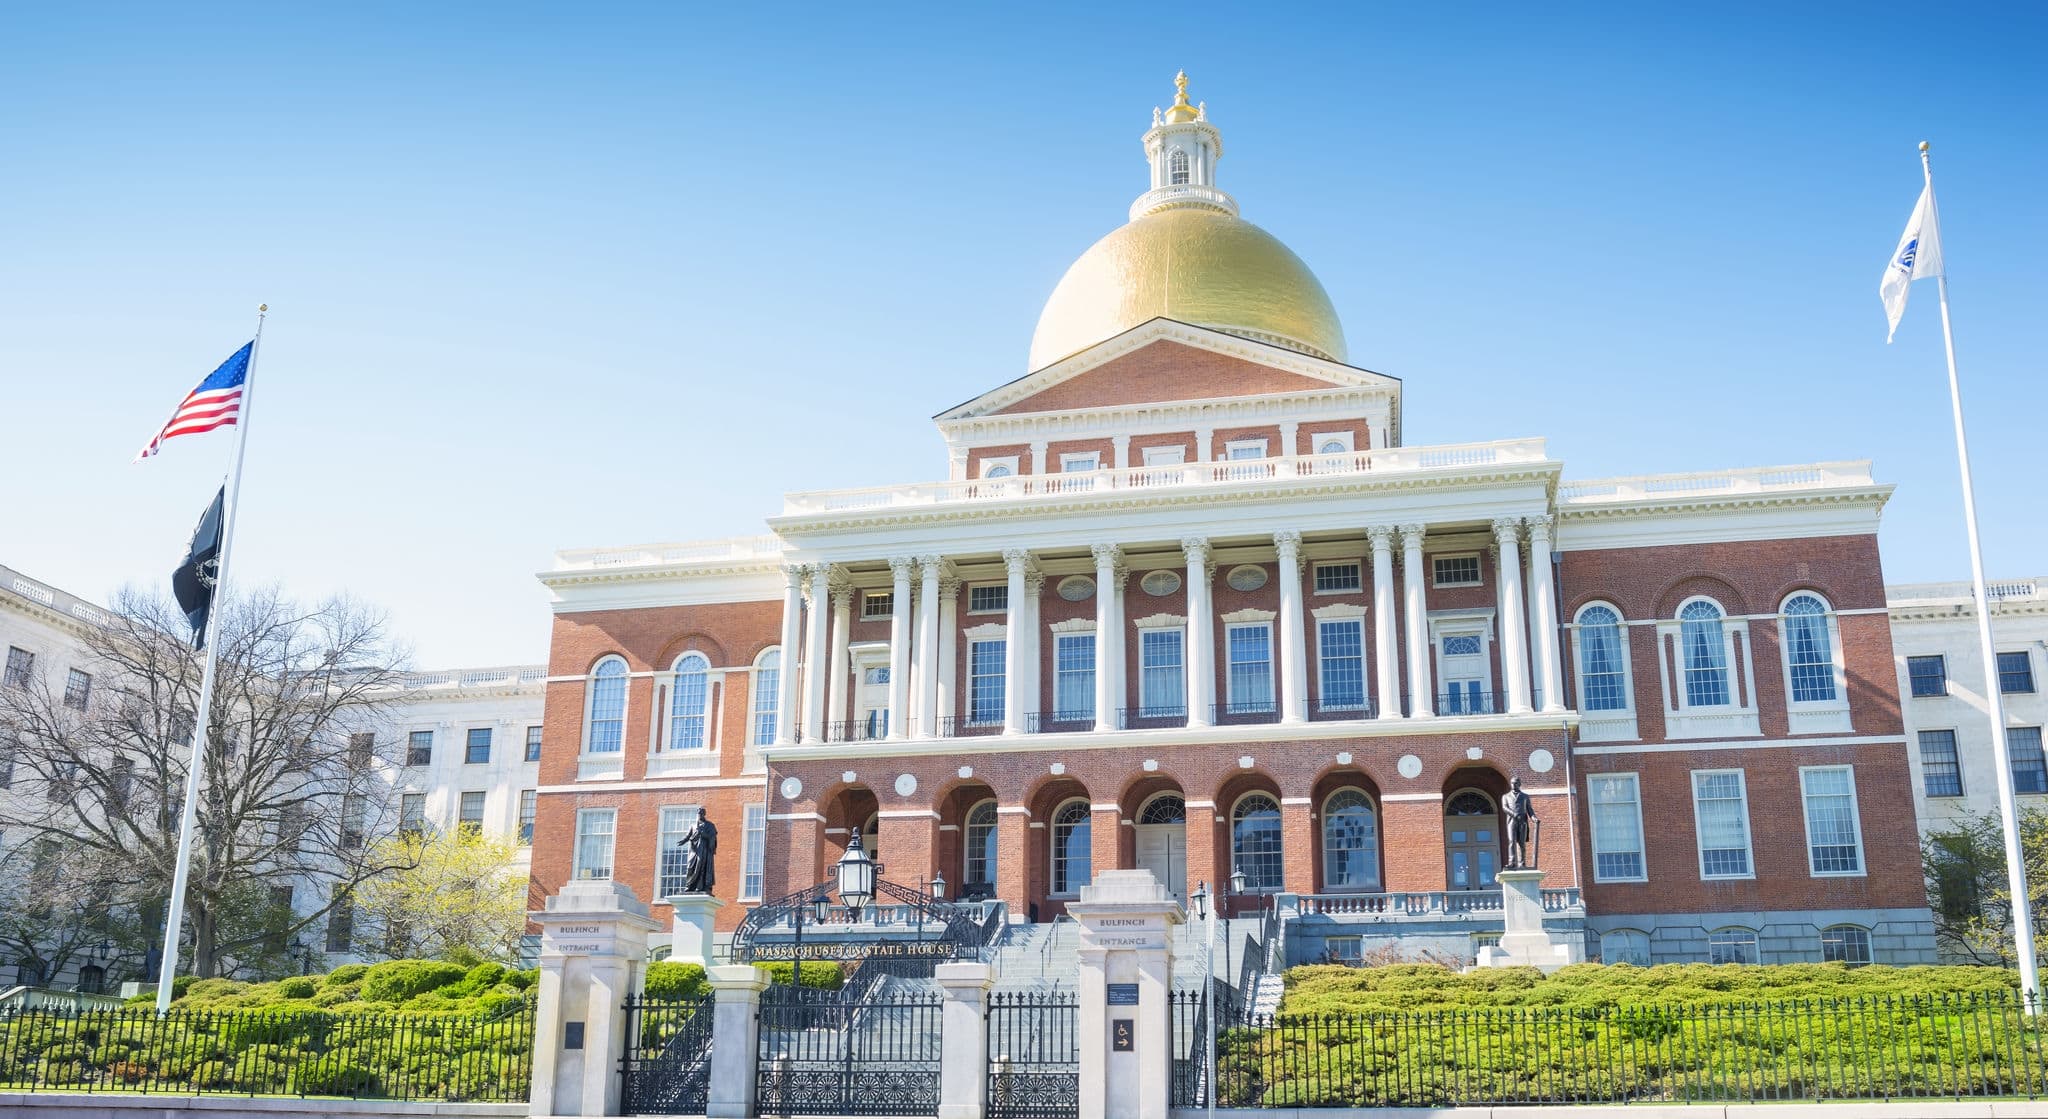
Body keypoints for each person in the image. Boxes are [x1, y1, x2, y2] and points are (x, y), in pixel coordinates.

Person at [677, 807, 718, 894]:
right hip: (694, 850)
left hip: (704, 851)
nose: (700, 815)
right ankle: (689, 886)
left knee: (701, 867)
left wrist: (703, 834)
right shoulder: (693, 826)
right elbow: (688, 836)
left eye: (702, 813)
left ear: (704, 814)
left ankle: (700, 887)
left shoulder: (710, 825)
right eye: (699, 813)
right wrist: (683, 841)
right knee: (690, 867)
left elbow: (712, 838)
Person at [1501, 776, 1538, 870]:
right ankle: (1512, 863)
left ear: (1519, 784)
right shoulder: (1506, 796)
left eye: (1515, 783)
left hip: (1522, 821)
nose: (1513, 785)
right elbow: (1504, 807)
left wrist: (1534, 818)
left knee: (1521, 843)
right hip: (1511, 821)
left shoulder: (1525, 796)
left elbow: (1530, 809)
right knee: (1511, 841)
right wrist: (1514, 814)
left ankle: (1522, 863)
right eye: (1512, 783)